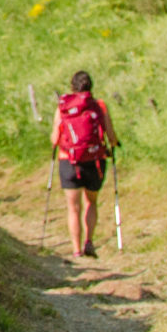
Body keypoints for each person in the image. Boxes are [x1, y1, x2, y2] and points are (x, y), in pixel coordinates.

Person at [49, 69, 116, 258]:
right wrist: (114, 144)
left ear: (72, 86)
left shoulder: (62, 108)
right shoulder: (99, 106)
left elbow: (55, 138)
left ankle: (76, 250)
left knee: (73, 207)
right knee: (91, 202)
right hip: (94, 161)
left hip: (68, 161)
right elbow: (110, 135)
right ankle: (89, 240)